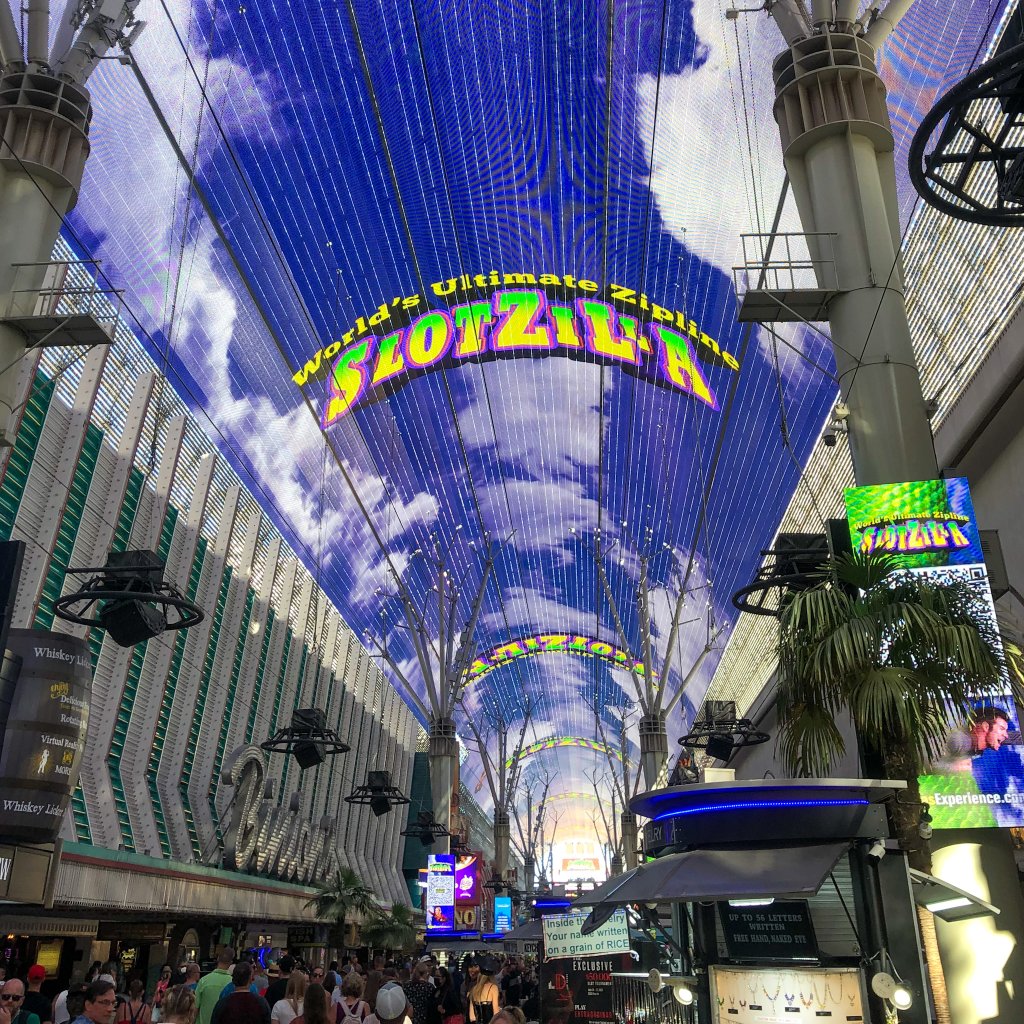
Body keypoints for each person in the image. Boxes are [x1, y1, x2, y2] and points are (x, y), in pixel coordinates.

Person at [196, 951, 235, 1024]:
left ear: (217, 960)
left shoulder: (204, 981)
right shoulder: (233, 983)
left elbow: (195, 1007)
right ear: (231, 963)